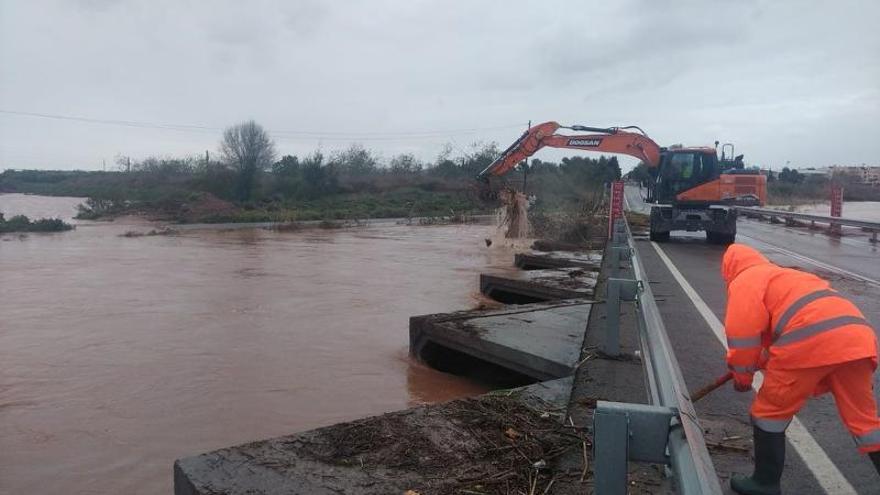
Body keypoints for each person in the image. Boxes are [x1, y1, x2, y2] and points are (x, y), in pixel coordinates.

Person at [721, 244, 880, 494]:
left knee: (769, 413)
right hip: (857, 339)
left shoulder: (746, 280)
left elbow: (743, 335)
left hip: (811, 340)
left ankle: (764, 483)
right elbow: (779, 331)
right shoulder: (787, 276)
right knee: (867, 424)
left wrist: (743, 376)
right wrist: (760, 361)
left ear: (729, 267)